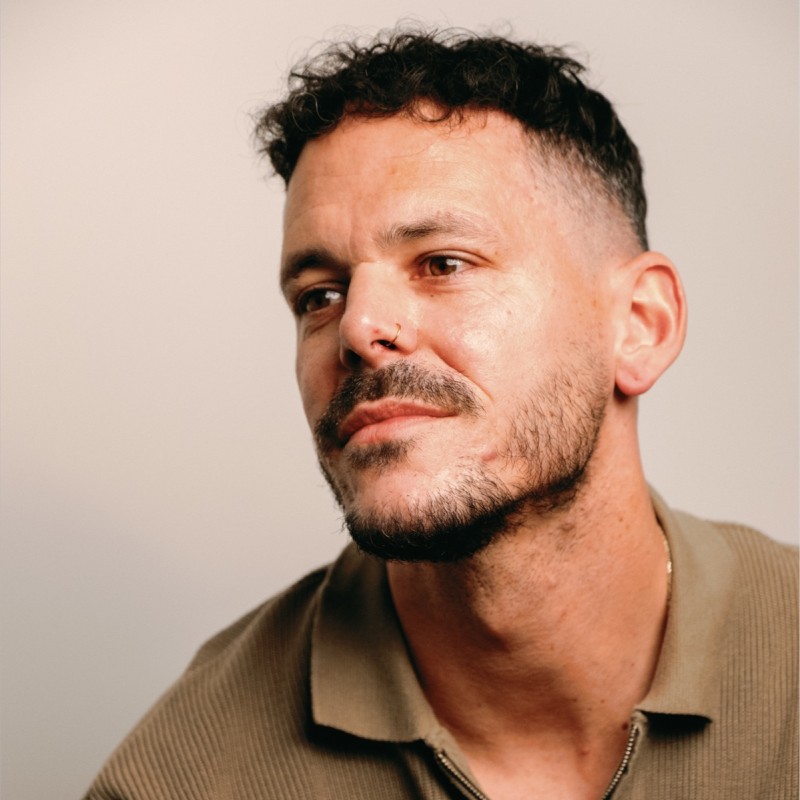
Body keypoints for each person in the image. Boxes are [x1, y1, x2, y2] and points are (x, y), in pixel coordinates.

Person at [84, 28, 797, 800]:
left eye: (443, 263)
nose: (358, 327)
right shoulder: (185, 777)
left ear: (639, 325)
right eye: (320, 295)